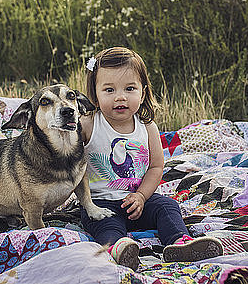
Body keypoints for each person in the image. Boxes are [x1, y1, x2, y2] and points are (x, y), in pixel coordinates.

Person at [80, 47, 223, 270]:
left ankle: (180, 244)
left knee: (167, 206)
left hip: (138, 201)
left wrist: (141, 196)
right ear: (95, 94)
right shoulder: (88, 125)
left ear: (143, 93)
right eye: (109, 90)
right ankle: (118, 249)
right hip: (100, 202)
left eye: (129, 88)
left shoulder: (147, 127)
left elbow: (156, 167)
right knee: (105, 224)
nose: (120, 97)